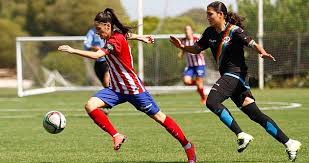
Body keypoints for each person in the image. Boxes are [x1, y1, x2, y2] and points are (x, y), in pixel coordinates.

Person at [58, 8, 196, 163]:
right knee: (90, 106)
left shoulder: (114, 40)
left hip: (133, 89)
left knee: (159, 117)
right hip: (116, 89)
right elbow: (127, 34)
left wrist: (72, 50)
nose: (97, 33)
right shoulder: (114, 35)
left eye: (99, 29)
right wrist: (141, 37)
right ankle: (116, 135)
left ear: (107, 26)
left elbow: (97, 55)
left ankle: (188, 146)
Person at [170, 1, 301, 162]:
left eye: (210, 14)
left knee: (212, 101)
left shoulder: (234, 31)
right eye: (207, 14)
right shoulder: (209, 33)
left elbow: (253, 44)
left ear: (221, 15)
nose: (207, 17)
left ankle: (241, 134)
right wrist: (182, 46)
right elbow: (197, 49)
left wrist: (263, 53)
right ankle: (289, 143)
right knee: (255, 115)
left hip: (235, 75)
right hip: (232, 79)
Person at [84, 27, 154, 115]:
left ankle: (111, 102)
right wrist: (94, 47)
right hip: (99, 63)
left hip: (109, 62)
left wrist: (141, 37)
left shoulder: (114, 34)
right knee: (107, 84)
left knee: (107, 82)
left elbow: (126, 35)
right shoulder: (92, 32)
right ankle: (109, 101)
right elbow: (86, 45)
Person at [177, 25, 207, 105]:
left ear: (191, 31)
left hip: (199, 65)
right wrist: (181, 54)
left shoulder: (196, 39)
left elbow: (203, 49)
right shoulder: (183, 41)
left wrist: (199, 51)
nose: (187, 31)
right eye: (185, 30)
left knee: (199, 82)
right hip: (190, 65)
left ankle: (203, 98)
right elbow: (183, 49)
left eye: (188, 29)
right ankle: (199, 86)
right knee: (186, 81)